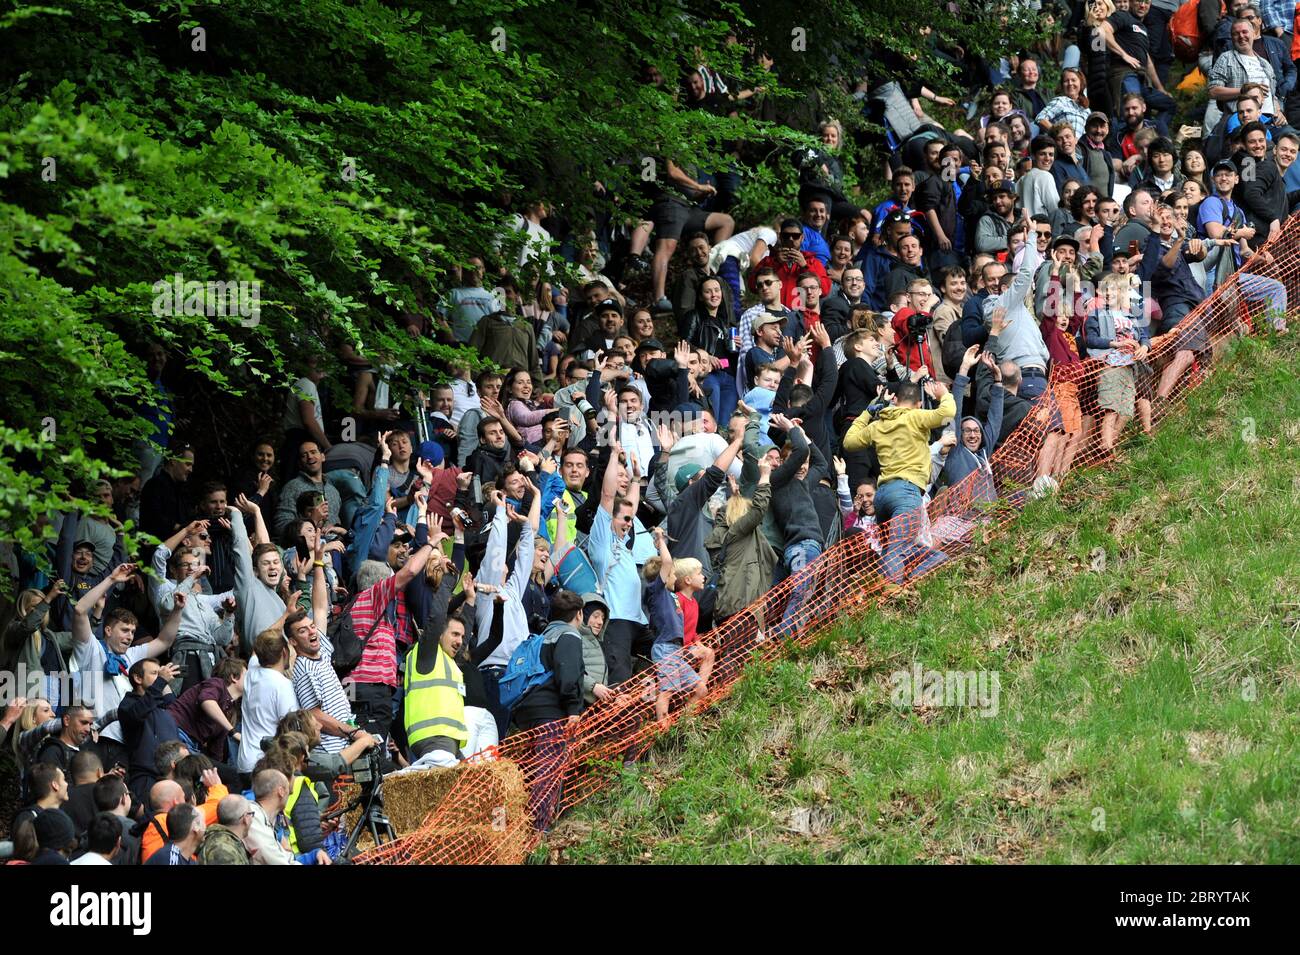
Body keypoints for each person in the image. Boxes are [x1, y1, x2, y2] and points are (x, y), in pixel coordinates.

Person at [843, 378, 956, 585]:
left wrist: (868, 412)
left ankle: (903, 583)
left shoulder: (878, 424)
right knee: (896, 550)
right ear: (918, 404)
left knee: (892, 549)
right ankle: (893, 596)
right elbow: (947, 414)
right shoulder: (915, 417)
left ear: (895, 401)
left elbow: (849, 442)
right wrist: (943, 395)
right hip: (906, 493)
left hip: (882, 495)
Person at [237, 631, 300, 776]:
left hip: (245, 762)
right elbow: (290, 730)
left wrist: (286, 614)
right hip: (266, 765)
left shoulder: (252, 671)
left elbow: (256, 650)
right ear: (285, 652)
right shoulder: (283, 685)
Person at [199, 793, 254, 865]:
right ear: (246, 818)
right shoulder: (224, 850)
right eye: (251, 814)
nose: (252, 818)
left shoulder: (221, 840)